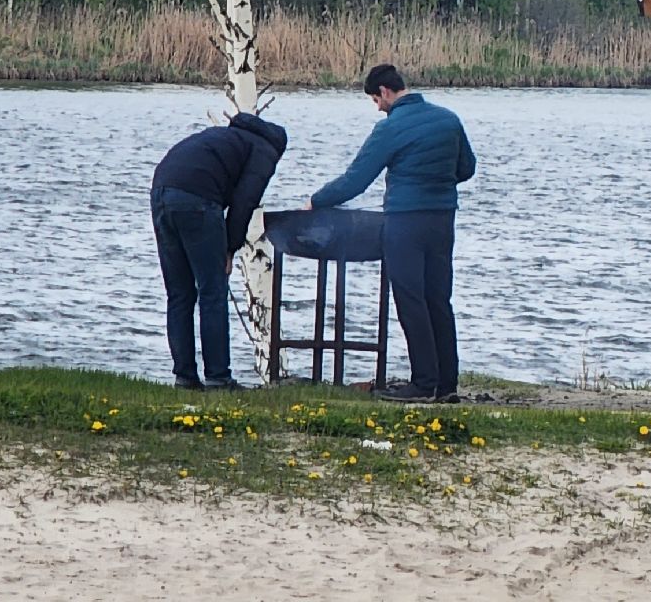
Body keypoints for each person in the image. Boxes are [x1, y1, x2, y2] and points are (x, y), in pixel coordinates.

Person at [307, 64, 476, 404]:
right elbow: (467, 168)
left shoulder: (391, 128)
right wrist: (436, 184)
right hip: (443, 219)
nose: (377, 107)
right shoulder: (448, 119)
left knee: (411, 299)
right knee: (438, 299)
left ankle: (424, 382)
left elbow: (356, 179)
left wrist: (316, 200)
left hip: (404, 221)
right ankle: (447, 384)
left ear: (384, 91)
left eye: (375, 100)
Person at [151, 112, 287, 390]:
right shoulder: (265, 151)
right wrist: (229, 249)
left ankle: (185, 377)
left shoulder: (227, 137)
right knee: (212, 291)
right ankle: (218, 377)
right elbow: (243, 204)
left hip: (161, 191)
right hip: (198, 200)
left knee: (179, 294)